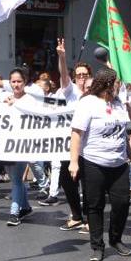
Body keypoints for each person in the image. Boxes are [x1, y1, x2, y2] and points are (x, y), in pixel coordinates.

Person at [70, 68, 131, 261]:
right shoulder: (88, 103)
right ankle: (97, 246)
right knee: (95, 205)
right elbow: (76, 134)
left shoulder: (118, 104)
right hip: (93, 163)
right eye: (117, 82)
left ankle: (115, 240)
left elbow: (122, 134)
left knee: (122, 203)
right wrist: (74, 162)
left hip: (119, 164)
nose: (120, 85)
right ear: (108, 83)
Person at [44, 39, 89, 230]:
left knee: (88, 185)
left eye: (85, 75)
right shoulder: (70, 92)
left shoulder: (95, 94)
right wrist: (62, 56)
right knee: (67, 181)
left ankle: (89, 217)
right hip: (67, 147)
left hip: (88, 148)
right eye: (78, 75)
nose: (81, 78)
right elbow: (63, 76)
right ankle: (77, 215)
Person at [3, 68, 37, 226]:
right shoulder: (6, 98)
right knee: (15, 178)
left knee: (16, 179)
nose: (16, 84)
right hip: (7, 145)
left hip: (23, 145)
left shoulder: (30, 100)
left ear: (25, 82)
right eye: (13, 81)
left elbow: (34, 115)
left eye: (19, 81)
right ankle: (26, 207)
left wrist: (14, 105)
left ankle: (14, 212)